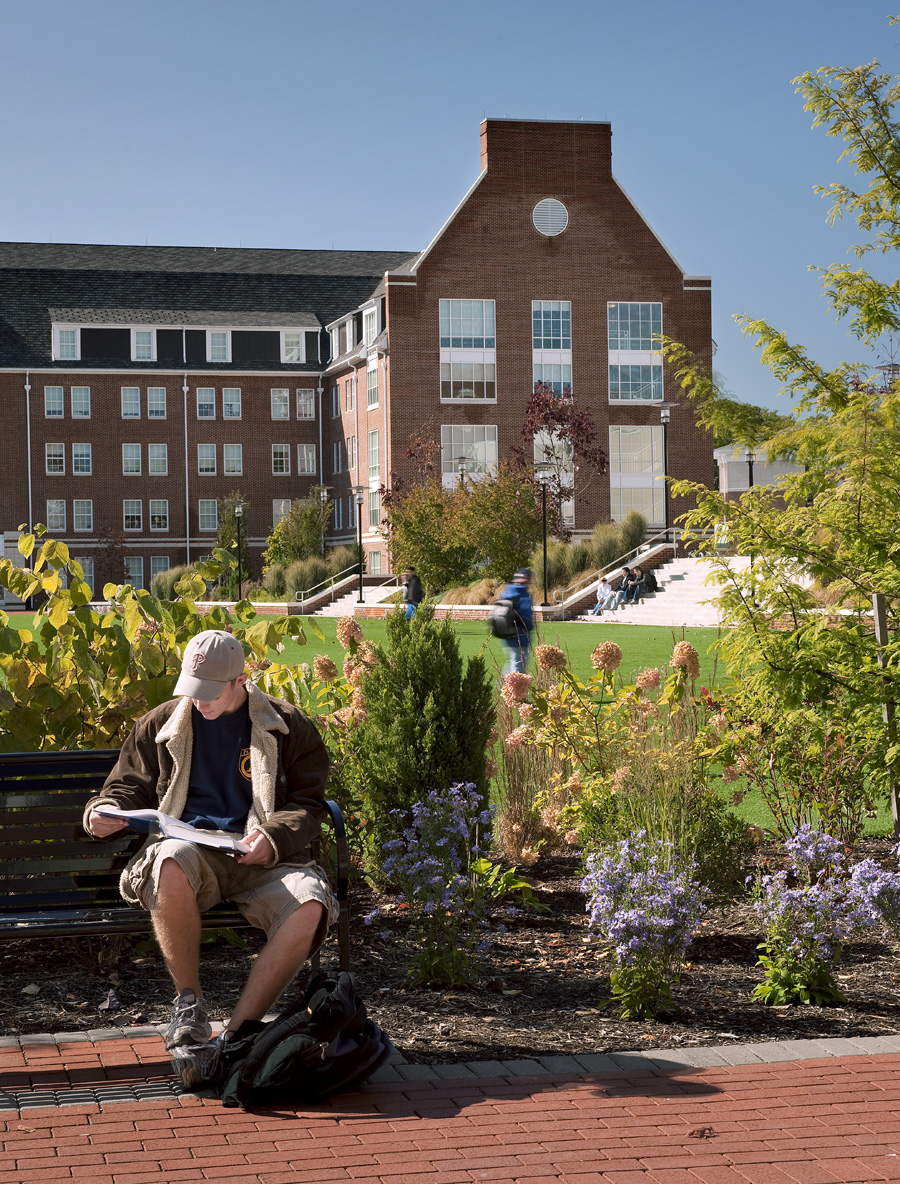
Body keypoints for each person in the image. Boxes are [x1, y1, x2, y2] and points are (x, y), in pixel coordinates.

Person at [83, 629, 337, 1091]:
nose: (199, 702)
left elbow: (310, 804)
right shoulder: (161, 724)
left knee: (309, 904)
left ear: (242, 679)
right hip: (193, 852)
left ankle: (236, 1038)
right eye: (192, 690)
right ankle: (190, 1008)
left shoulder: (286, 724)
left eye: (211, 693)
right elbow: (124, 787)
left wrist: (273, 836)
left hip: (261, 856)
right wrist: (104, 813)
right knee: (169, 860)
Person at [499, 568, 534, 673]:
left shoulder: (507, 592)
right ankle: (514, 688)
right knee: (519, 665)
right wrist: (530, 628)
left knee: (512, 661)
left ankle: (505, 686)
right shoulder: (522, 594)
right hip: (520, 635)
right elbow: (526, 617)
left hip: (506, 634)